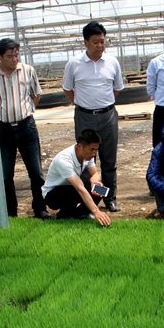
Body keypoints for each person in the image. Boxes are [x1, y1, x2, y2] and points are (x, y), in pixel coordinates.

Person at [62, 21, 124, 213]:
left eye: (102, 41)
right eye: (95, 42)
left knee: (109, 160)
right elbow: (68, 89)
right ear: (86, 42)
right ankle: (90, 199)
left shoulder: (112, 62)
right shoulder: (74, 64)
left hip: (108, 116)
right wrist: (83, 104)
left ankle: (109, 198)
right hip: (85, 117)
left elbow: (117, 89)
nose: (100, 45)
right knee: (86, 159)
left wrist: (103, 104)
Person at [0, 38, 50, 219]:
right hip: (4, 130)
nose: (14, 59)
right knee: (5, 174)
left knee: (36, 172)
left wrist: (26, 111)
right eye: (10, 56)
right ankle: (11, 212)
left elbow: (36, 95)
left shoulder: (28, 71)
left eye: (16, 55)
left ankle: (40, 209)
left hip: (27, 127)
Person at [42, 129, 111, 227]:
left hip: (72, 187)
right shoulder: (64, 159)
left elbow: (95, 173)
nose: (94, 153)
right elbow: (80, 188)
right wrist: (96, 212)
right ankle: (64, 215)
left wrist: (94, 181)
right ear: (80, 147)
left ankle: (81, 214)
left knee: (101, 189)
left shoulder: (88, 155)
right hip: (53, 194)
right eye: (92, 149)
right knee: (76, 190)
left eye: (96, 150)